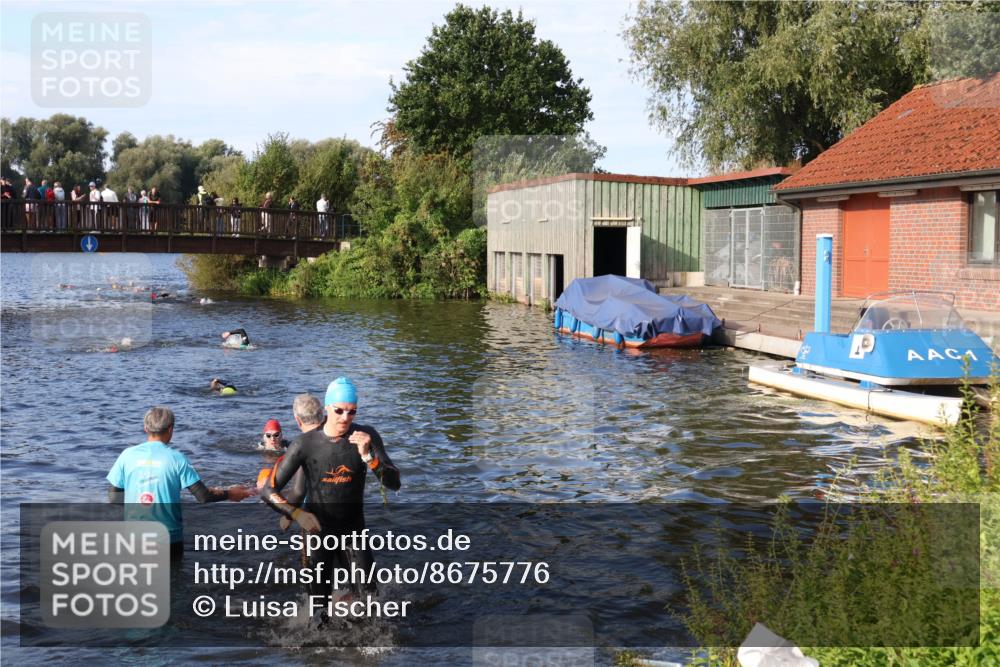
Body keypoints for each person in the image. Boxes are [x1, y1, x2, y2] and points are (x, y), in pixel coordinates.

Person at [263, 377, 401, 624]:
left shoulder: (366, 436)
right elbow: (268, 490)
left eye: (351, 411)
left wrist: (369, 458)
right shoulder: (305, 444)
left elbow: (394, 482)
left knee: (371, 606)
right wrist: (296, 514)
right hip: (319, 534)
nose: (345, 417)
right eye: (339, 410)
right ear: (326, 408)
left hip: (354, 533)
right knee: (318, 614)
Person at [107, 406, 250, 557]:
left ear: (145, 428)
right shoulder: (177, 458)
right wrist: (230, 493)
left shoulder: (126, 455)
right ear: (170, 429)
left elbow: (113, 497)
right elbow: (203, 497)